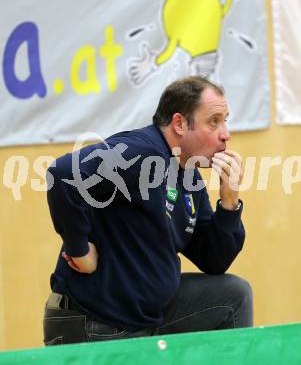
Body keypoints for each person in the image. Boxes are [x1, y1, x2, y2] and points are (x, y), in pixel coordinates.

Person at [43, 76, 253, 346]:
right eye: (213, 121)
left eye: (226, 120)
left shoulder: (188, 175)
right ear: (179, 123)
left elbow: (213, 260)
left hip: (145, 316)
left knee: (234, 296)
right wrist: (79, 249)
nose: (226, 133)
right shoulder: (140, 152)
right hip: (96, 320)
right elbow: (62, 175)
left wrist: (229, 204)